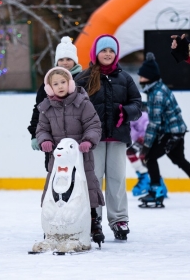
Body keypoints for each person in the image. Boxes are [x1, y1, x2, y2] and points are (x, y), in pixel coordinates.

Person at [74, 34, 142, 240]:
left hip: (118, 137)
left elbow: (137, 104)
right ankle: (93, 219)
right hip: (91, 139)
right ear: (96, 53)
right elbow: (73, 105)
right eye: (104, 50)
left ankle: (119, 219)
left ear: (116, 54)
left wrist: (125, 111)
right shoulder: (84, 78)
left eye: (111, 50)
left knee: (117, 180)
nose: (107, 54)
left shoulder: (125, 78)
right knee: (93, 180)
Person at [36, 67, 105, 247]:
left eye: (63, 82)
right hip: (58, 159)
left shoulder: (83, 103)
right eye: (55, 84)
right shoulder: (46, 108)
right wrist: (45, 140)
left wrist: (88, 141)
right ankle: (54, 224)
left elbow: (94, 124)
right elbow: (41, 129)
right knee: (56, 189)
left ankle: (93, 221)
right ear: (49, 88)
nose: (60, 86)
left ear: (70, 83)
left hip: (81, 157)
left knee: (86, 186)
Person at [138, 52, 190, 208]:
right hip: (175, 131)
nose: (139, 78)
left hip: (172, 133)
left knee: (149, 157)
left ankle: (156, 191)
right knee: (179, 160)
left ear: (149, 77)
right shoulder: (158, 88)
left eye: (142, 76)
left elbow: (154, 123)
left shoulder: (156, 94)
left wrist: (146, 147)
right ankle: (156, 190)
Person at [28, 36, 83, 171]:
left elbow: (91, 112)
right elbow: (39, 110)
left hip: (78, 140)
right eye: (61, 59)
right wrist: (35, 134)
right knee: (56, 176)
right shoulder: (48, 83)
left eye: (69, 59)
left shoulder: (84, 81)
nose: (65, 63)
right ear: (57, 61)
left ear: (75, 61)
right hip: (54, 140)